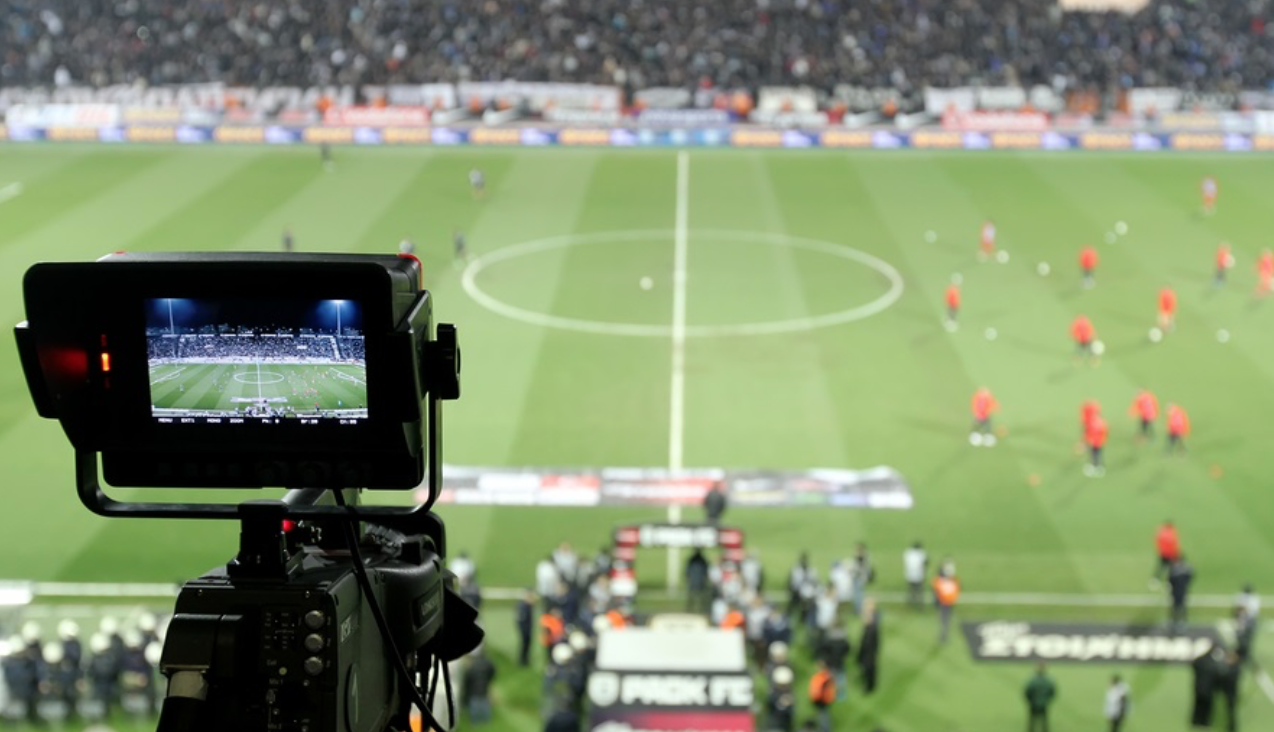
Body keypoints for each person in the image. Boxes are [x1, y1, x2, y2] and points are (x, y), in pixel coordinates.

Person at [462, 646, 496, 725]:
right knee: (484, 701)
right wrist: (489, 680)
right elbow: (493, 671)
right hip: (484, 687)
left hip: (474, 690)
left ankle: (475, 722)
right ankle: (486, 722)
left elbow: (467, 680)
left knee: (475, 703)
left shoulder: (471, 667)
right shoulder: (488, 663)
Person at [1192, 643, 1222, 727]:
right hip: (1209, 688)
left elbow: (1194, 665)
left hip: (1199, 686)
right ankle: (1204, 722)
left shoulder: (1200, 660)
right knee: (1207, 706)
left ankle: (1196, 721)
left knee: (1198, 704)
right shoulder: (1213, 662)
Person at [1024, 662, 1057, 732]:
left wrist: (1030, 701)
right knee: (1044, 720)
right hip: (1044, 703)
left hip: (1033, 703)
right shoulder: (1048, 681)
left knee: (1032, 720)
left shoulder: (1033, 680)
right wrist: (1047, 700)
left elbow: (1027, 692)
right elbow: (1052, 692)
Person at [857, 598, 881, 694]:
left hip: (870, 650)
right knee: (867, 666)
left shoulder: (873, 624)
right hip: (869, 648)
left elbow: (871, 641)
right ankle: (869, 684)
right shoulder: (872, 621)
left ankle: (869, 686)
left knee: (870, 668)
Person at [1215, 649, 1241, 731]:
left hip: (1231, 694)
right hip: (1228, 693)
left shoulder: (1234, 670)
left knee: (1231, 711)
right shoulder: (1232, 668)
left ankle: (1232, 726)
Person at [808, 659, 836, 732]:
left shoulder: (824, 677)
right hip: (820, 700)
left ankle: (824, 729)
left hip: (822, 700)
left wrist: (816, 697)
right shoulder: (823, 676)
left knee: (823, 716)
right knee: (821, 715)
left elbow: (819, 689)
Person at [933, 569, 960, 643]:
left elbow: (937, 588)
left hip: (944, 604)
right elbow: (956, 590)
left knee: (944, 620)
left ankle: (943, 635)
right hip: (949, 604)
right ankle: (944, 634)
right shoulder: (953, 582)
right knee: (946, 620)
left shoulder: (942, 582)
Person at [1168, 554, 1195, 630]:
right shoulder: (1184, 571)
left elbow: (1170, 580)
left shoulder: (1175, 571)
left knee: (1180, 607)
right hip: (1178, 592)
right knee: (1177, 608)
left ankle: (1180, 621)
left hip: (1180, 592)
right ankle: (1176, 621)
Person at [1153, 520, 1181, 587]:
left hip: (1163, 553)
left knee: (1161, 566)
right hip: (1170, 554)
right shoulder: (1172, 533)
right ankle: (1169, 582)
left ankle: (1156, 579)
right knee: (1170, 568)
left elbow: (1158, 540)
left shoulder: (1161, 531)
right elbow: (1174, 544)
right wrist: (1176, 554)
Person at [903, 541, 928, 608]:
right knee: (920, 591)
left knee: (911, 590)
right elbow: (926, 562)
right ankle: (920, 604)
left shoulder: (908, 553)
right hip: (919, 575)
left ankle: (910, 602)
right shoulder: (921, 553)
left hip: (909, 575)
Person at [685, 548, 710, 613]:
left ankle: (692, 609)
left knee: (697, 596)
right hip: (699, 580)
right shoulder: (702, 560)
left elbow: (687, 570)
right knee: (696, 596)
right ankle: (693, 609)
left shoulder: (692, 559)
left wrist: (688, 577)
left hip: (695, 580)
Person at [516, 589, 536, 666]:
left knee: (527, 645)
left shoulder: (528, 606)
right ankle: (523, 660)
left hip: (528, 628)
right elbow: (521, 619)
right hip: (525, 629)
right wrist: (525, 630)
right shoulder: (523, 606)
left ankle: (525, 660)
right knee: (525, 645)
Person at [1084, 413, 1108, 478]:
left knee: (1094, 454)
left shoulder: (1092, 423)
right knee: (1098, 454)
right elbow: (1105, 432)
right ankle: (1099, 466)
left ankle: (1095, 466)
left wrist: (1088, 440)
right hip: (1099, 442)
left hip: (1094, 442)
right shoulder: (1102, 422)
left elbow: (1089, 432)